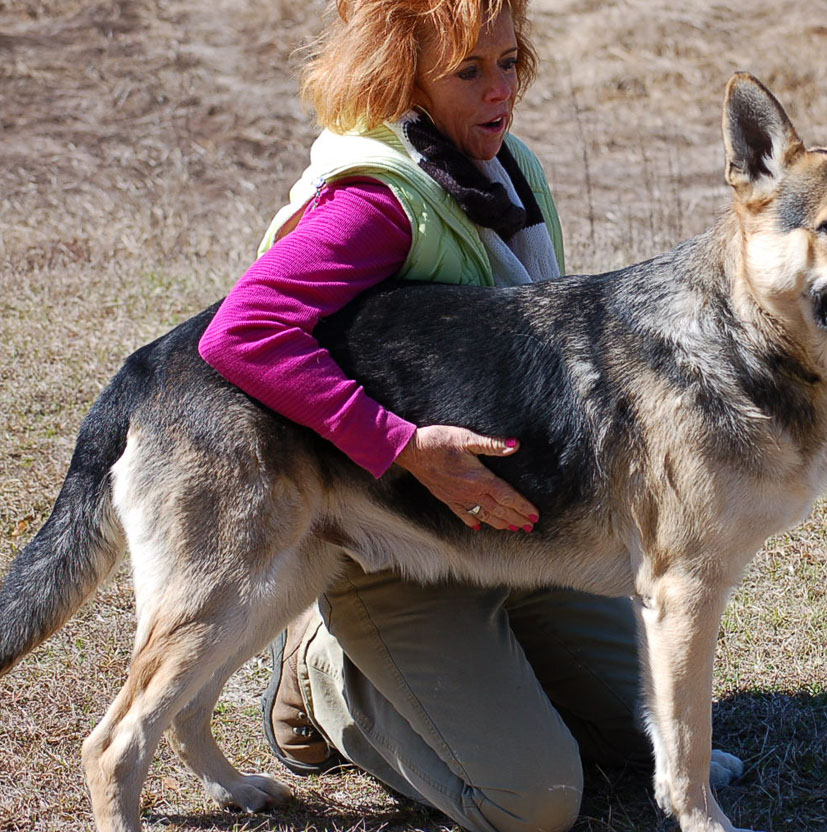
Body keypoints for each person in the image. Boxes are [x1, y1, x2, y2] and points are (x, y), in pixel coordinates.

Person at [198, 1, 648, 830]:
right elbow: (243, 332)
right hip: (395, 540)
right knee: (534, 803)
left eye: (508, 62)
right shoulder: (379, 201)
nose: (499, 90)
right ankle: (326, 680)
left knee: (641, 735)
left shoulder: (505, 168)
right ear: (404, 79)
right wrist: (400, 445)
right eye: (468, 72)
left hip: (508, 530)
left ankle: (484, 672)